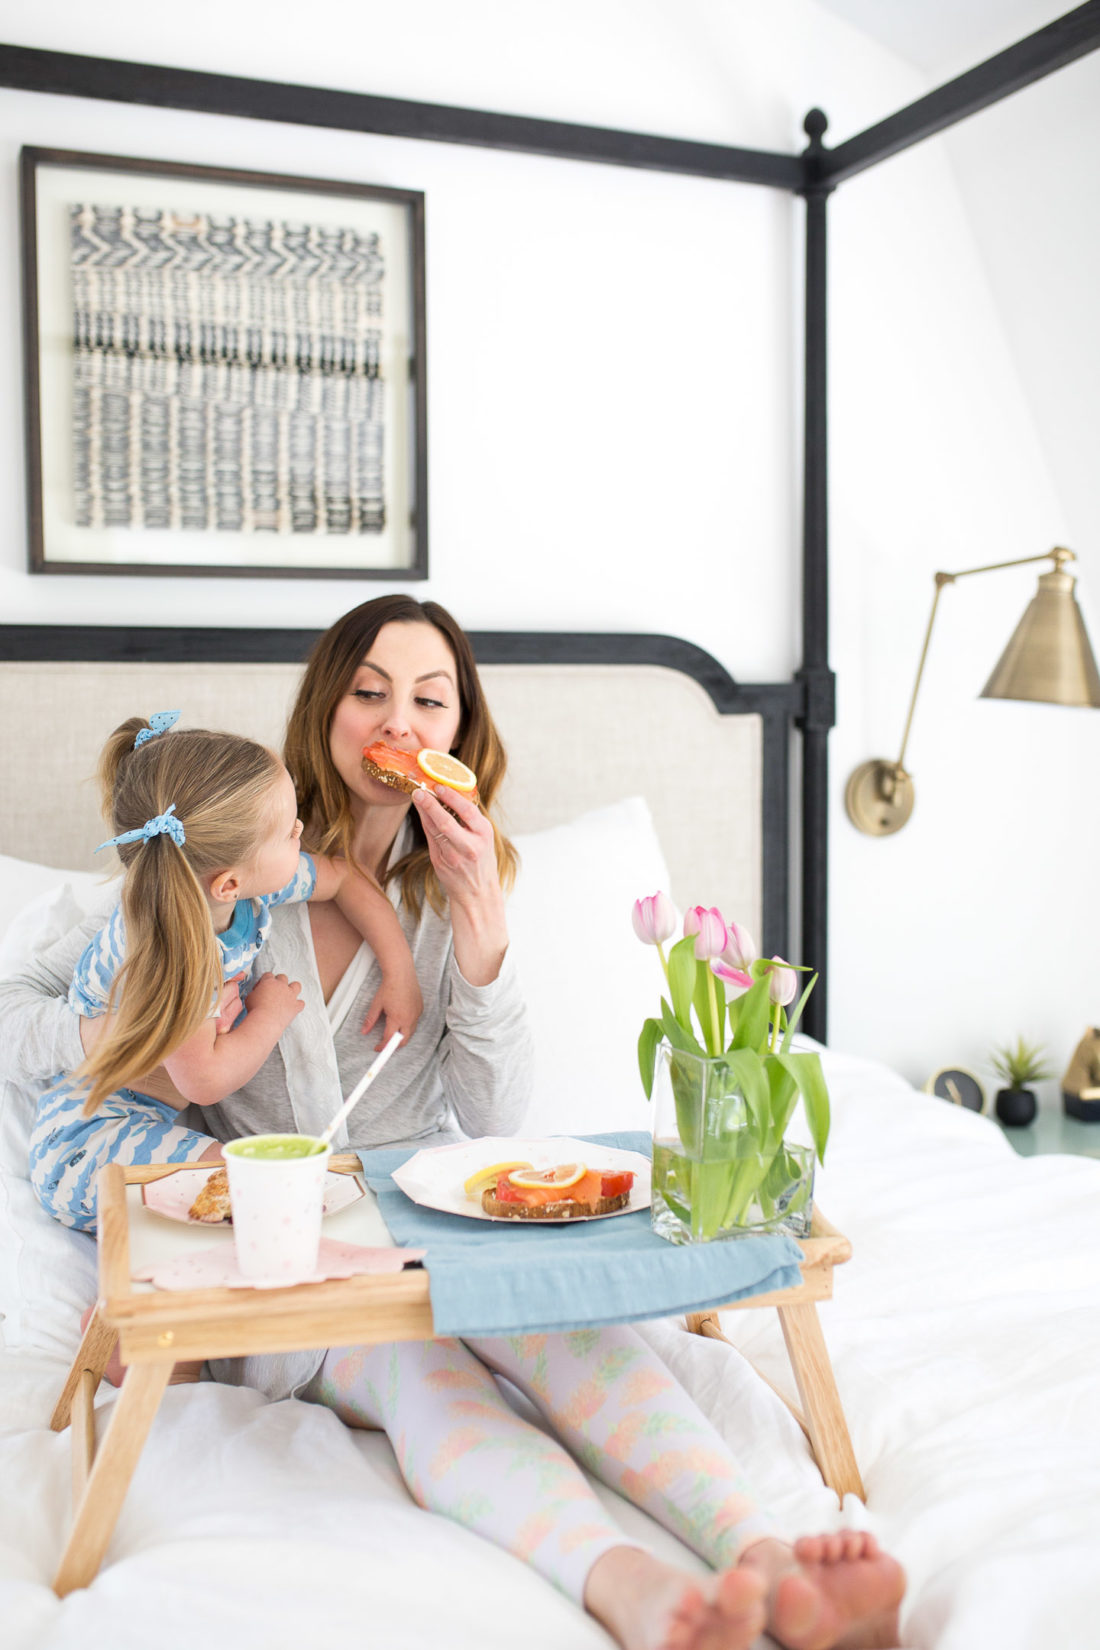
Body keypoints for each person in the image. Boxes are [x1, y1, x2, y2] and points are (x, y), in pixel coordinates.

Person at [0, 597, 904, 1650]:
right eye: (369, 693)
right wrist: (122, 1029)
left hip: (436, 1207)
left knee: (568, 1327)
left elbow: (493, 1119)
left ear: (460, 733)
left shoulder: (450, 894)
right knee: (422, 1371)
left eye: (430, 699)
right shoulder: (220, 862)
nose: (400, 722)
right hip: (296, 1242)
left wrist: (480, 936)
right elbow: (16, 1011)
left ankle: (771, 1562)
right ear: (324, 711)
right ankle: (637, 1596)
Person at [27, 712, 421, 1232]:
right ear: (228, 884)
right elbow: (206, 1079)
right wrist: (270, 1015)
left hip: (134, 1128)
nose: (303, 833)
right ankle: (123, 1307)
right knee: (249, 1186)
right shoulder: (172, 955)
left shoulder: (237, 885)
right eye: (288, 831)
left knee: (244, 1196)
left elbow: (344, 878)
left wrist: (400, 972)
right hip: (85, 1145)